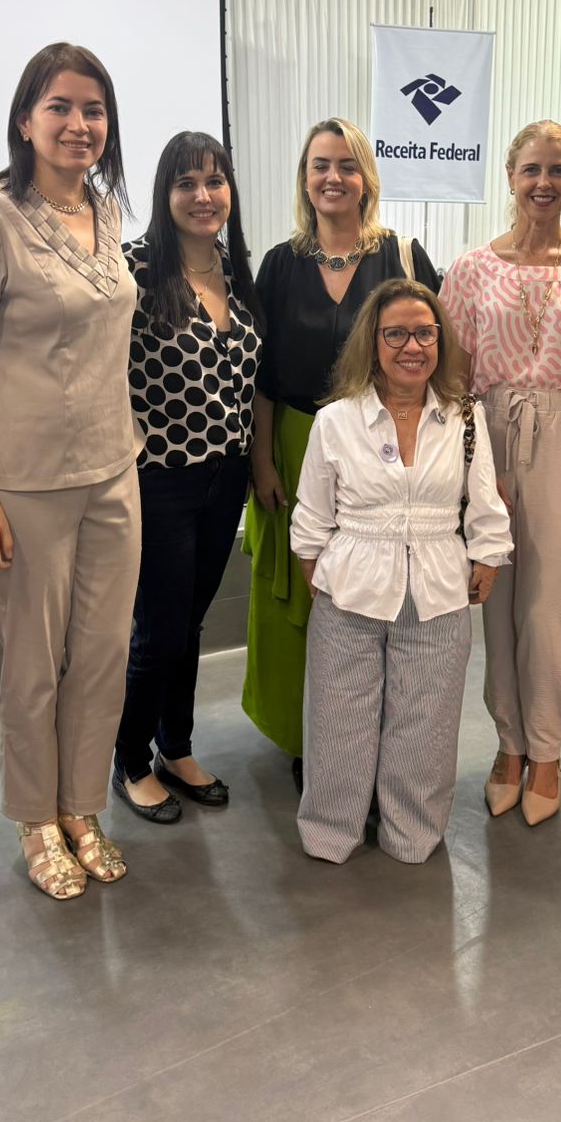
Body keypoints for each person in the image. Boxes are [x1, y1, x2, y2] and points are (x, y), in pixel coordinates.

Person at [0, 44, 141, 899]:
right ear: (25, 120)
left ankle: (81, 805)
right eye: (60, 107)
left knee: (101, 654)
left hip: (112, 472)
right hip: (25, 485)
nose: (78, 124)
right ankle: (35, 819)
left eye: (93, 109)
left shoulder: (107, 214)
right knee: (33, 663)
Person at [440, 122, 561, 825]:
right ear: (510, 176)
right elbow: (455, 375)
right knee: (494, 595)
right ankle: (509, 745)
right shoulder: (470, 270)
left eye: (557, 170)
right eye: (532, 169)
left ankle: (547, 749)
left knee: (548, 604)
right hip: (490, 427)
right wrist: (469, 465)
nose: (544, 182)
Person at [242, 118, 439, 788]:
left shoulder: (402, 257)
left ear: (366, 179)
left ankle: (374, 738)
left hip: (382, 450)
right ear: (305, 179)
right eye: (320, 165)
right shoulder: (280, 264)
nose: (333, 177)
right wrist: (262, 460)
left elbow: (431, 359)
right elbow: (262, 376)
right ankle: (308, 737)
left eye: (347, 165)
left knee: (372, 600)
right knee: (303, 599)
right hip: (296, 446)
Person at [291, 278, 512, 863]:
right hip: (350, 588)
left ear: (440, 340)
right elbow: (312, 515)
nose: (412, 347)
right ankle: (330, 828)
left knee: (426, 722)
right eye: (396, 334)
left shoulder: (465, 417)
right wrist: (318, 574)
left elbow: (485, 501)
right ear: (373, 341)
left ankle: (411, 831)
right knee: (339, 718)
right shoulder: (335, 421)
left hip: (438, 586)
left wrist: (488, 557)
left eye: (424, 333)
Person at [112, 133, 262, 823]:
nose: (203, 196)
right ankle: (130, 759)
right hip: (160, 479)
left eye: (215, 181)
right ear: (164, 194)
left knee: (190, 624)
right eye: (186, 183)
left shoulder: (237, 268)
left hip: (226, 478)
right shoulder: (135, 268)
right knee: (160, 630)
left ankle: (176, 746)